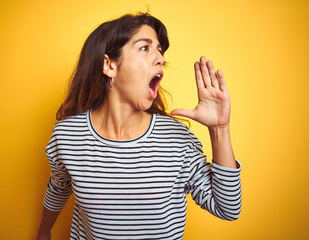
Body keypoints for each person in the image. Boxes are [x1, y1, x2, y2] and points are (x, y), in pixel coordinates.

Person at [37, 12, 242, 240]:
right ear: (109, 65)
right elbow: (59, 186)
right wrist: (44, 232)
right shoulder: (68, 136)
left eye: (160, 51)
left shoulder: (177, 140)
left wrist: (219, 129)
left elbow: (228, 209)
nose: (160, 58)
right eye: (145, 48)